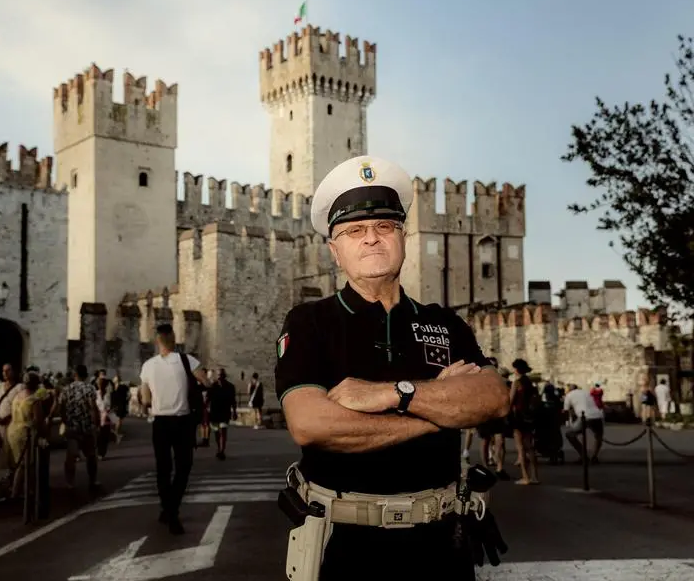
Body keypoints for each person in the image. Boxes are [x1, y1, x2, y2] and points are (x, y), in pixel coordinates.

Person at [275, 155, 510, 581]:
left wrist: (392, 394)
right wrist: (440, 414)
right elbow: (311, 424)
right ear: (334, 250)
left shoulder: (444, 322)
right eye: (354, 231)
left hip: (442, 544)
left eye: (385, 227)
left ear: (403, 237)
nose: (371, 239)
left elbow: (493, 399)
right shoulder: (310, 322)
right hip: (344, 546)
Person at [139, 324, 207, 535]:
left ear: (157, 340)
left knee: (163, 469)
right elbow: (205, 381)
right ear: (174, 338)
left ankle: (167, 509)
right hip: (183, 421)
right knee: (183, 467)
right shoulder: (188, 360)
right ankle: (172, 509)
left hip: (160, 422)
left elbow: (146, 399)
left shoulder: (148, 366)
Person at [506, 359, 539, 485]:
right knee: (530, 447)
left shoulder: (517, 383)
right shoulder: (529, 382)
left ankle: (525, 477)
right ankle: (535, 476)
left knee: (520, 448)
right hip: (529, 416)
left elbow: (511, 401)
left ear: (516, 369)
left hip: (518, 416)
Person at [562, 382, 605, 464]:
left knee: (570, 434)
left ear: (569, 390)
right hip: (598, 415)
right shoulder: (586, 392)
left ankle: (583, 455)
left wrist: (567, 422)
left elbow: (566, 411)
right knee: (598, 436)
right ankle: (594, 457)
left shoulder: (569, 395)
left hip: (584, 417)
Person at [207, 368, 237, 459]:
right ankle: (219, 447)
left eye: (222, 376)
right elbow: (208, 399)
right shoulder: (213, 386)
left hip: (225, 412)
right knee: (216, 432)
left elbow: (233, 401)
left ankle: (222, 450)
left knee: (223, 431)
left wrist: (234, 411)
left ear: (224, 376)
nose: (220, 377)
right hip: (215, 412)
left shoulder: (230, 387)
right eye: (219, 376)